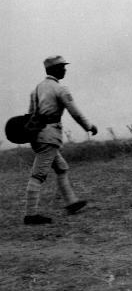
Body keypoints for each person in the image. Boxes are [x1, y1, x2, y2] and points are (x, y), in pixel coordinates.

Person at [23, 56, 98, 225]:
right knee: (38, 175)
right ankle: (30, 214)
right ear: (55, 70)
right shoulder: (60, 89)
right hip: (50, 138)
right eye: (62, 67)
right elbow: (75, 113)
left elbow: (29, 115)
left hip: (38, 136)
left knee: (62, 168)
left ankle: (71, 203)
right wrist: (89, 127)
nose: (65, 69)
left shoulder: (36, 89)